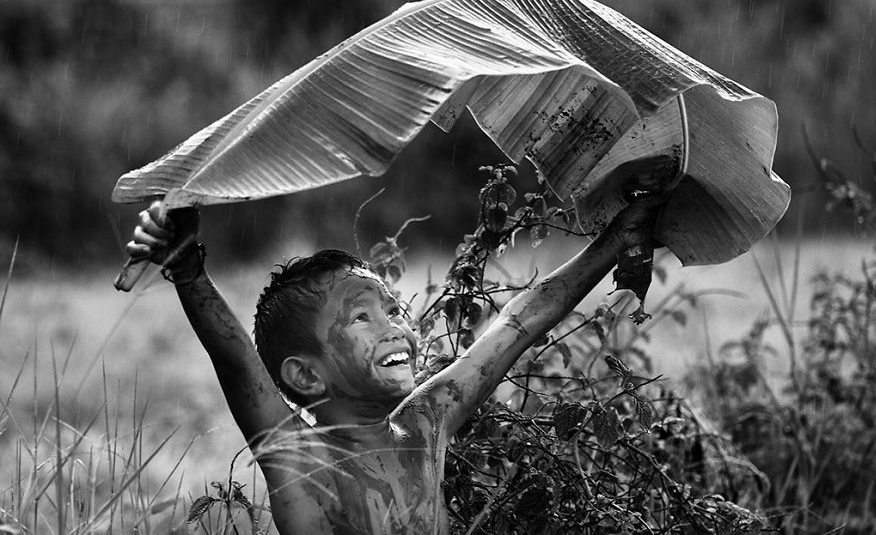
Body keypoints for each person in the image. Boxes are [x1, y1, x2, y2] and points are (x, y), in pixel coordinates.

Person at [125, 197, 659, 534]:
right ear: (306, 376)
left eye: (394, 309)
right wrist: (190, 271)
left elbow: (522, 321)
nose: (395, 327)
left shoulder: (426, 424)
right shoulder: (301, 462)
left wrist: (615, 240)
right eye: (362, 318)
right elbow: (238, 364)